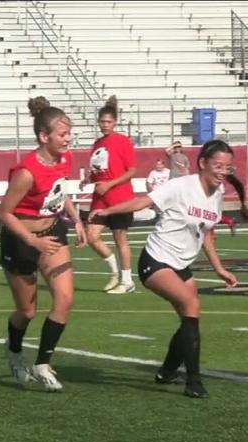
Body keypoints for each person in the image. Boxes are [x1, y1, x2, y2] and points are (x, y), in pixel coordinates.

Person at [90, 139, 239, 399]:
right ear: (202, 163)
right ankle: (193, 380)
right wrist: (108, 211)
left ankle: (167, 371)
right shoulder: (181, 186)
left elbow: (205, 234)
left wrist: (219, 268)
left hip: (182, 265)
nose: (222, 171)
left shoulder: (217, 193)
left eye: (227, 167)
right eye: (218, 165)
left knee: (189, 320)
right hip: (156, 260)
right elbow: (142, 202)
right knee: (191, 307)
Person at [0, 96, 86, 392]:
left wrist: (76, 221)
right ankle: (13, 350)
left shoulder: (66, 159)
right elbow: (4, 213)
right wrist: (31, 241)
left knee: (65, 298)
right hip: (21, 240)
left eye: (69, 133)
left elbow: (61, 193)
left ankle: (43, 363)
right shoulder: (26, 172)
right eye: (62, 134)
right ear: (44, 136)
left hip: (53, 231)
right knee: (26, 312)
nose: (68, 139)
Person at [82, 95, 137, 294]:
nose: (105, 125)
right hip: (100, 198)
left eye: (108, 121)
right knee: (92, 235)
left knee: (120, 238)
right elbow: (100, 169)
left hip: (120, 197)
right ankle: (114, 273)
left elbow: (132, 171)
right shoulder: (97, 143)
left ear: (115, 122)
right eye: (102, 121)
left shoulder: (122, 141)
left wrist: (110, 184)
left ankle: (127, 281)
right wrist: (89, 178)